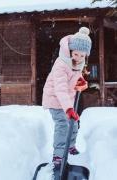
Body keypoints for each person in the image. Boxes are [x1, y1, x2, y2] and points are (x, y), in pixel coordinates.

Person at [42, 27, 92, 167]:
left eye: (83, 56)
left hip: (67, 101)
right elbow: (60, 89)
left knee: (74, 124)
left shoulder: (78, 62)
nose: (79, 58)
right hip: (55, 99)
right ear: (70, 51)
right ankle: (58, 155)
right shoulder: (61, 64)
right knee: (63, 125)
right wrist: (69, 109)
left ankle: (70, 147)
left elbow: (75, 75)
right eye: (76, 54)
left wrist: (80, 80)